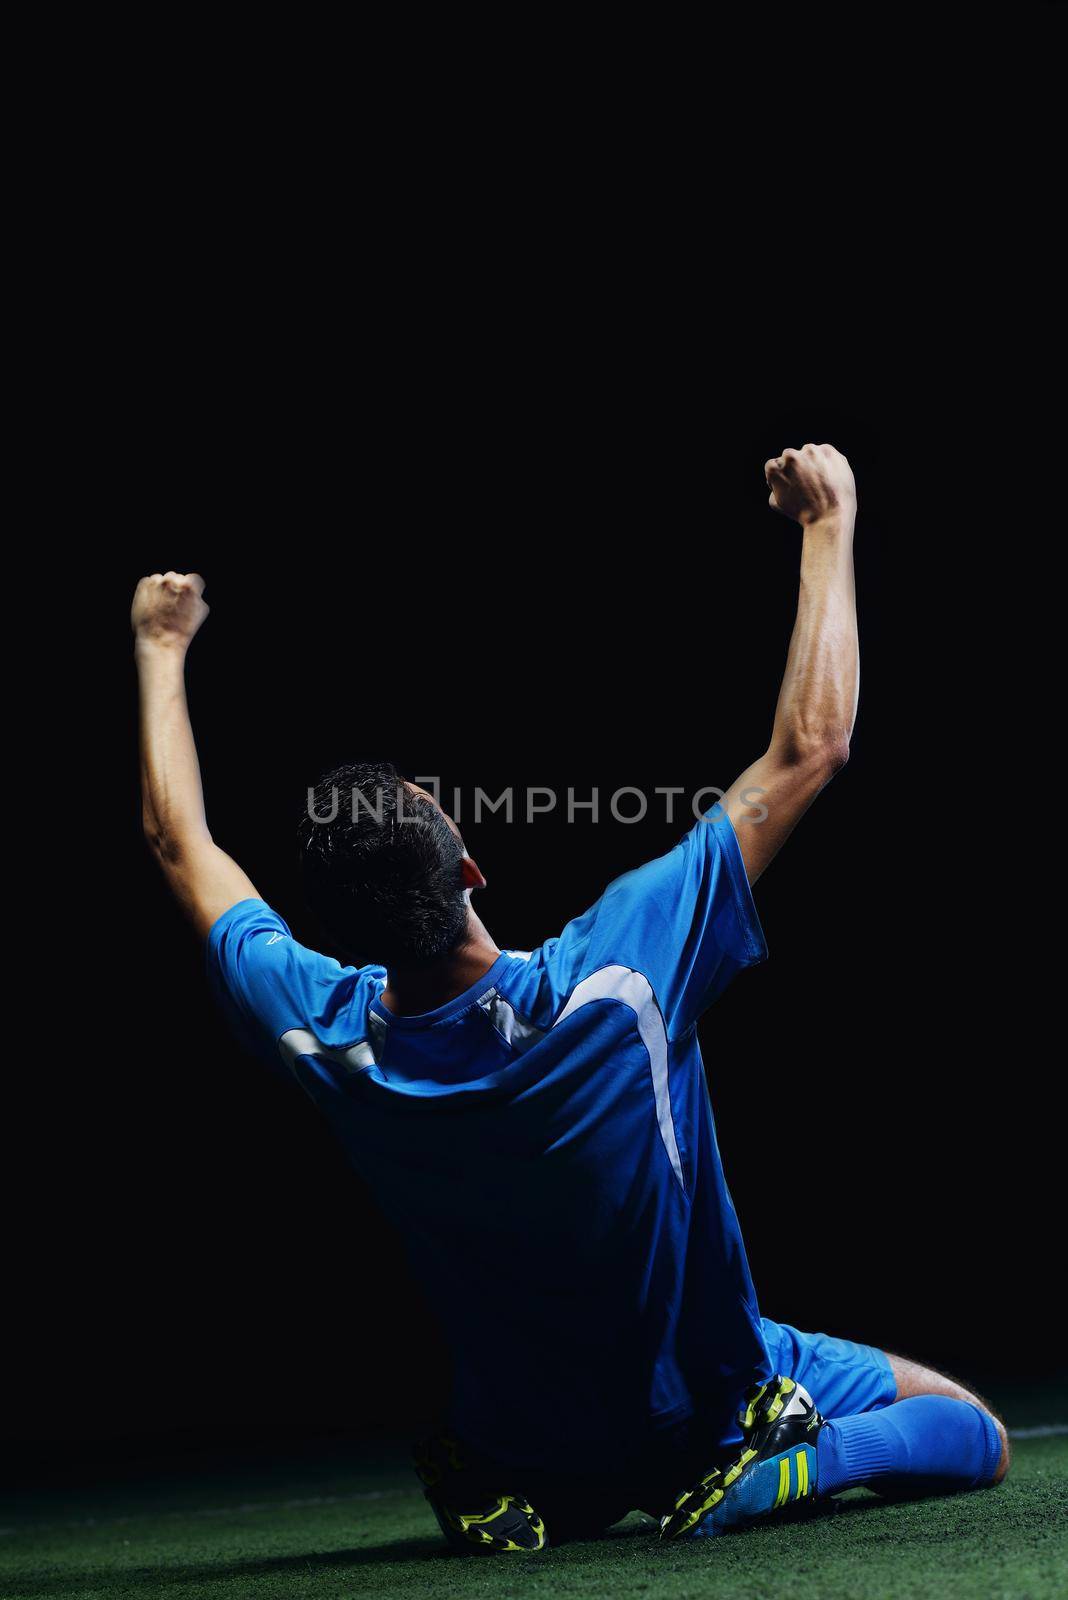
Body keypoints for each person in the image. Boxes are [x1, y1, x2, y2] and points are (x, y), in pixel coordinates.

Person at [132, 444, 1007, 1553]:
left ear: (339, 929)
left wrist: (159, 650)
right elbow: (812, 747)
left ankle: (493, 1473)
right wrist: (828, 521)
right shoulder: (617, 971)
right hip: (705, 1400)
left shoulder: (319, 1026)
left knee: (532, 1441)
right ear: (470, 869)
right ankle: (785, 1459)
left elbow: (180, 842)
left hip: (534, 1438)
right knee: (964, 1424)